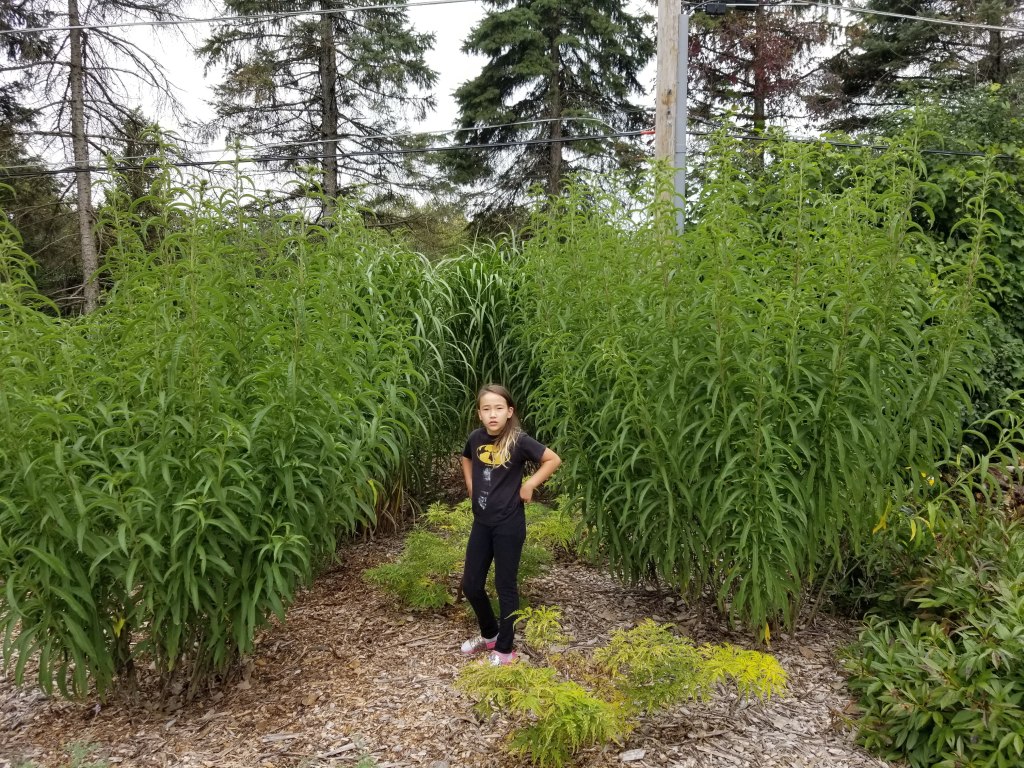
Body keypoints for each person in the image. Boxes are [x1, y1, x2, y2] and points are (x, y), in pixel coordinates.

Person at [459, 384, 561, 665]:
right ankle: (490, 634)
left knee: (505, 586)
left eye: (499, 408)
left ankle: (504, 649)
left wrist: (529, 484)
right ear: (479, 413)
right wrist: (469, 482)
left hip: (508, 524)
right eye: (487, 409)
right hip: (482, 522)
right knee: (471, 585)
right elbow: (466, 457)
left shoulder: (518, 440)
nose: (493, 414)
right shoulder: (476, 438)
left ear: (509, 412)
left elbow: (553, 459)